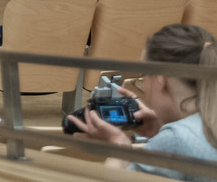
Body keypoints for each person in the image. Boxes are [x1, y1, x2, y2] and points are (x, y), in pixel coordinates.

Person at [77, 23, 217, 179]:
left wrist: (120, 145)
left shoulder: (175, 139)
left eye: (143, 75)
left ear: (160, 80)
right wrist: (160, 131)